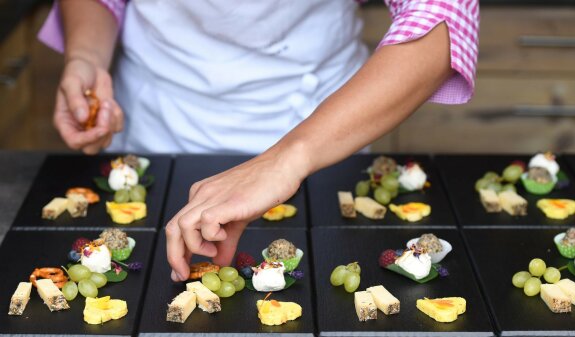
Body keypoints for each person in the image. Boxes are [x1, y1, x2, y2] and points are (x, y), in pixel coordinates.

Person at [39, 0, 479, 282]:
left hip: (325, 120)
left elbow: (440, 15)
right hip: (162, 113)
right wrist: (85, 57)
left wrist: (288, 158)